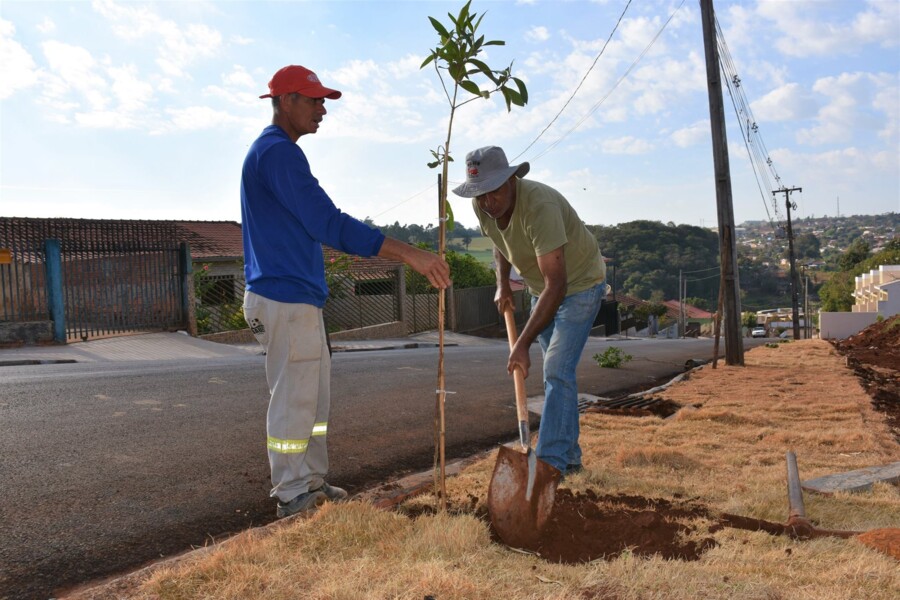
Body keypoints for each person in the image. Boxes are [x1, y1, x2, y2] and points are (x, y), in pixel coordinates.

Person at [241, 64, 451, 518]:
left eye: (323, 102)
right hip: (284, 297)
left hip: (297, 298)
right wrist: (407, 253)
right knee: (295, 399)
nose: (322, 110)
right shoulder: (277, 153)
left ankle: (311, 483)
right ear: (286, 100)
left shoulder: (279, 152)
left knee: (313, 402)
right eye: (314, 101)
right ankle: (292, 494)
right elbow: (327, 223)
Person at [453, 145, 606, 477]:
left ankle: (548, 465)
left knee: (556, 368)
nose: (486, 202)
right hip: (542, 289)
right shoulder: (485, 206)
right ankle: (571, 459)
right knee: (559, 374)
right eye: (478, 195)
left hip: (578, 285)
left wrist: (521, 343)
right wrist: (503, 283)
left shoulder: (540, 207)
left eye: (492, 191)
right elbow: (499, 241)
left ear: (511, 181)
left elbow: (558, 285)